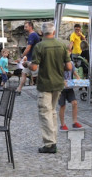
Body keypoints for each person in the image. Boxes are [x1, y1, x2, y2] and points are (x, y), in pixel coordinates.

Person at [30, 22, 70, 154]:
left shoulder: (39, 46)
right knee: (52, 111)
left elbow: (34, 68)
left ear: (42, 32)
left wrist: (27, 64)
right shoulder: (61, 45)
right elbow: (69, 67)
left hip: (45, 84)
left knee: (45, 112)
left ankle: (49, 144)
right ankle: (53, 140)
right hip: (58, 83)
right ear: (54, 32)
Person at [16, 21, 41, 94]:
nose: (24, 28)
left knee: (37, 77)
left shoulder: (32, 35)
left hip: (34, 60)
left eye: (26, 27)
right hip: (30, 59)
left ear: (31, 27)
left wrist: (21, 57)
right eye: (24, 27)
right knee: (24, 73)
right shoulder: (32, 35)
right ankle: (19, 89)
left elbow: (28, 48)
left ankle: (41, 92)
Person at [58, 56, 83, 131]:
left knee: (74, 103)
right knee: (62, 105)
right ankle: (62, 125)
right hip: (60, 88)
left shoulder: (71, 63)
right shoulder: (58, 64)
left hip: (69, 87)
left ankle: (75, 122)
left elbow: (74, 72)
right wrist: (63, 81)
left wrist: (78, 78)